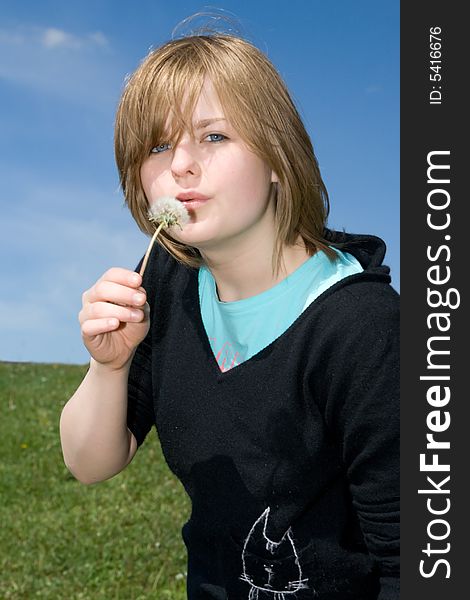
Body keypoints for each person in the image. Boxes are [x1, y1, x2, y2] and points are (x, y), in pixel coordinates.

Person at [60, 32, 399, 600]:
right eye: (158, 147)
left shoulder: (364, 329)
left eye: (213, 136)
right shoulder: (164, 286)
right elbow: (91, 463)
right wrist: (110, 368)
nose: (181, 167)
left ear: (276, 157)